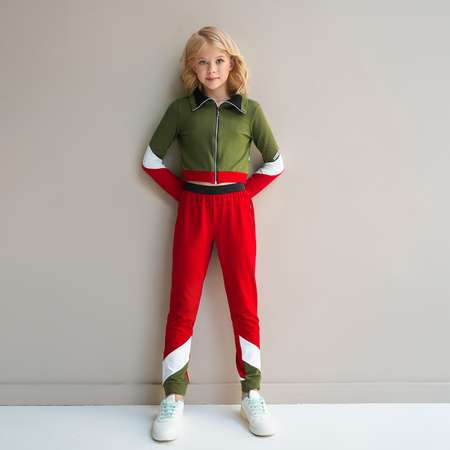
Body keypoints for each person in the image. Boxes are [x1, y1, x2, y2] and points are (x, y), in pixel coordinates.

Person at [142, 25, 285, 441]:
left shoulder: (251, 111)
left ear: (231, 63)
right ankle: (173, 396)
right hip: (194, 211)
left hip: (236, 212)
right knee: (182, 301)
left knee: (244, 299)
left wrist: (242, 196)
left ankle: (252, 392)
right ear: (192, 67)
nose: (211, 69)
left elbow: (275, 162)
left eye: (219, 60)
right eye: (202, 62)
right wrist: (187, 196)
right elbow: (151, 160)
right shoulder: (180, 111)